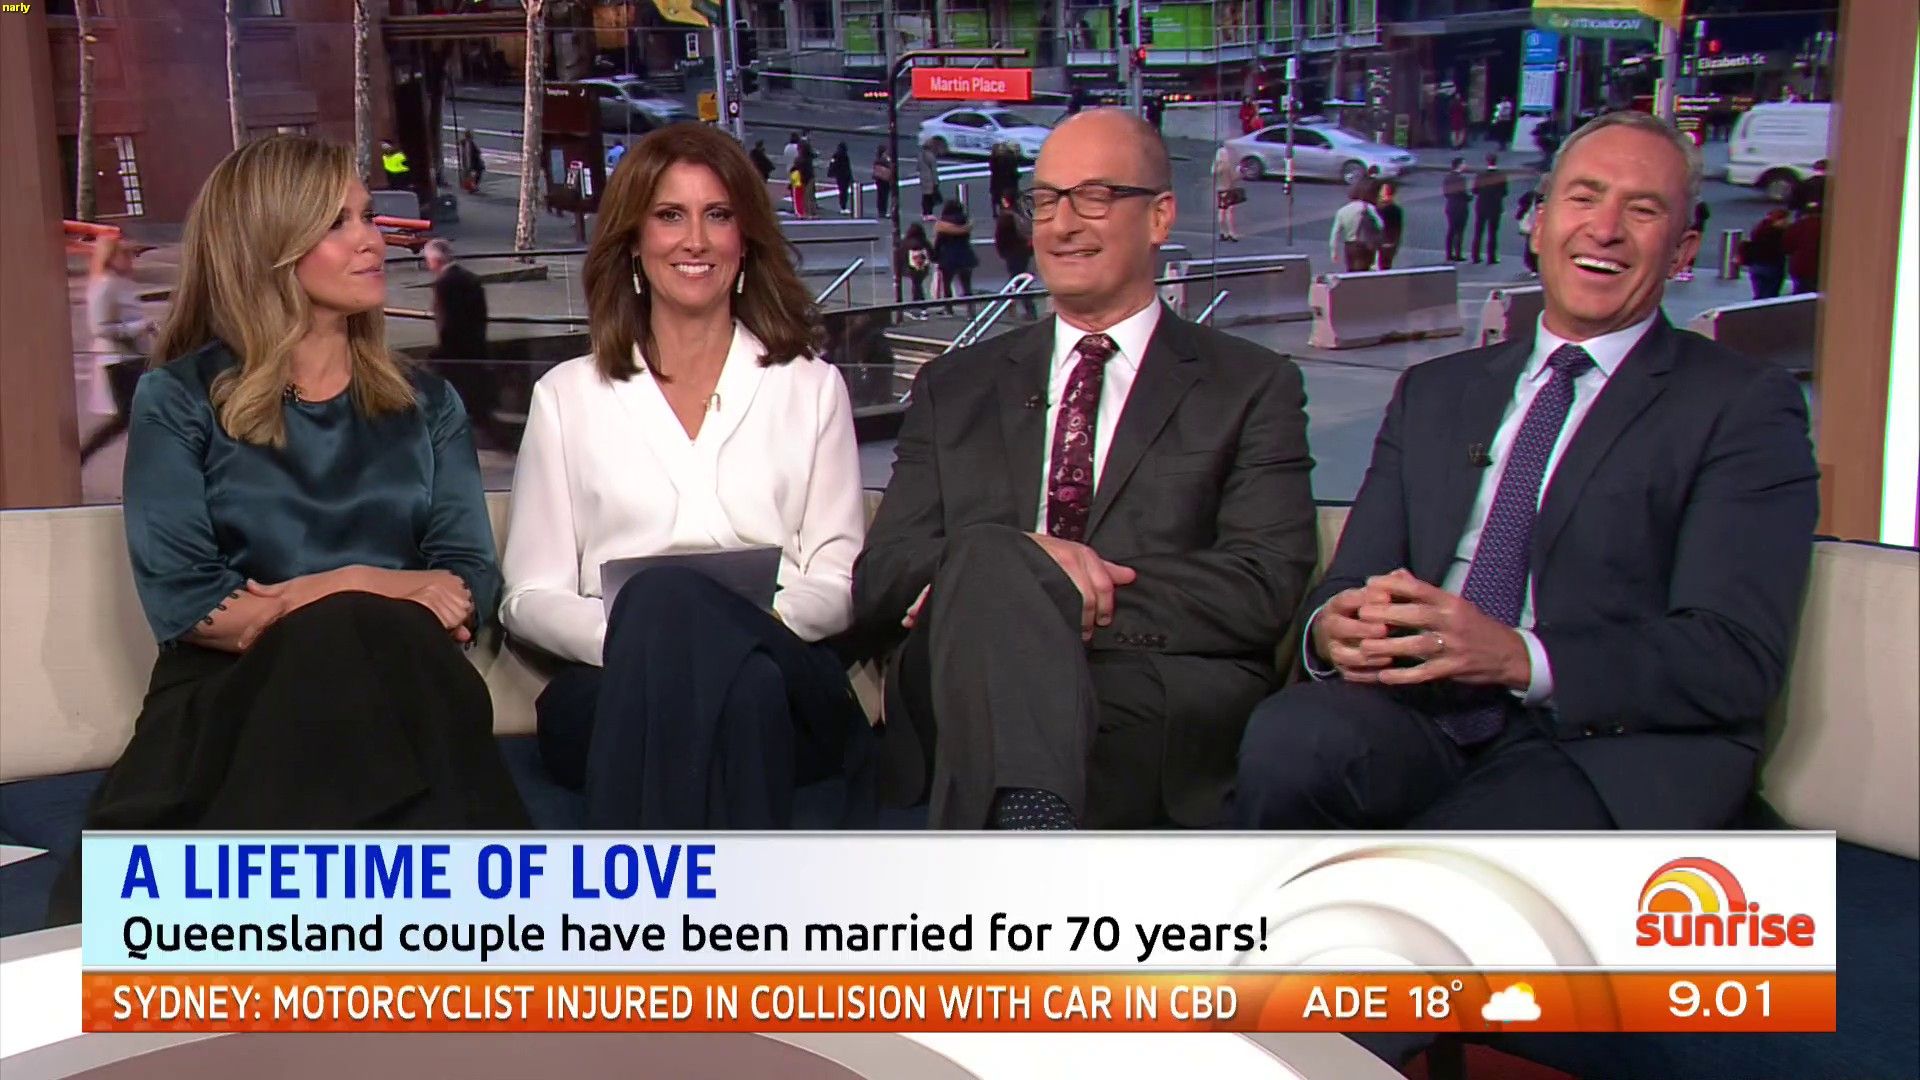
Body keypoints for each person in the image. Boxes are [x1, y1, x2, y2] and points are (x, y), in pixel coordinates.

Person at [1234, 117, 1819, 1072]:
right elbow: (1344, 587)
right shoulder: (1436, 392)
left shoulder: (1741, 405)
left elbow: (1734, 656)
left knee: (1430, 888)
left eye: (1642, 210)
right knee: (1291, 738)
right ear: (1538, 223)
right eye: (1584, 198)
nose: (1605, 228)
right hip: (1423, 714)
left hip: (1609, 745)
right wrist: (1333, 631)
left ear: (1683, 252)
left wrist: (1519, 656)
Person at [49, 134, 528, 922]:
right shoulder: (180, 400)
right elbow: (190, 602)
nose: (372, 239)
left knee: (374, 646)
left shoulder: (427, 405)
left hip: (406, 689)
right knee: (349, 630)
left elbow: (468, 579)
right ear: (269, 246)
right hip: (235, 706)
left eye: (368, 217)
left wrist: (330, 599)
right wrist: (362, 582)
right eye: (337, 223)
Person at [852, 109, 1317, 831]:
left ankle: (1013, 849)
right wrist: (1006, 568)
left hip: (1151, 688)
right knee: (991, 557)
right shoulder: (955, 385)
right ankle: (1034, 833)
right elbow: (881, 577)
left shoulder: (1252, 385)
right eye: (1045, 200)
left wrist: (1045, 589)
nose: (1062, 224)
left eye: (1094, 197)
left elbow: (1262, 586)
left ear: (1160, 216)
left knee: (996, 569)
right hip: (958, 680)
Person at [500, 124, 870, 830]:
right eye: (670, 215)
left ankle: (648, 899)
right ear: (634, 242)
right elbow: (529, 596)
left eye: (718, 215)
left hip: (782, 672)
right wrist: (648, 640)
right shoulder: (567, 396)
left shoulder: (811, 386)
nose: (695, 240)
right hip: (613, 683)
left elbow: (839, 576)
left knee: (739, 671)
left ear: (745, 240)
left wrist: (734, 632)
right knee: (694, 644)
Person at [422, 239, 508, 450]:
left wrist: (440, 353)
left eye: (428, 261)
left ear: (435, 260)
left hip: (455, 352)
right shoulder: (471, 279)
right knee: (474, 397)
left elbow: (447, 323)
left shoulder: (444, 284)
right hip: (476, 348)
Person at [78, 234, 155, 465]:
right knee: (127, 416)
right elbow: (100, 328)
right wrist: (139, 327)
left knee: (139, 414)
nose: (129, 259)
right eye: (124, 254)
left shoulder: (121, 283)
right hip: (118, 359)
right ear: (110, 258)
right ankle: (82, 454)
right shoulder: (104, 286)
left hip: (135, 356)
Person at [993, 195, 1040, 318]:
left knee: (1018, 281)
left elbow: (1000, 237)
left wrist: (1002, 251)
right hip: (1023, 250)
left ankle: (1020, 308)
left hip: (1013, 252)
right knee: (1018, 279)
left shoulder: (1006, 217)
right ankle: (1021, 307)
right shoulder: (1021, 215)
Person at [933, 197, 977, 316]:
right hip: (965, 256)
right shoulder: (965, 222)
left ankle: (948, 308)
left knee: (947, 284)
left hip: (948, 257)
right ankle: (970, 310)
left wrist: (935, 256)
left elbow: (938, 243)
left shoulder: (942, 225)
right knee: (966, 285)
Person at [1739, 208, 1790, 300]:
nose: (1787, 222)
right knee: (1770, 295)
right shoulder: (1778, 233)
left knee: (1759, 294)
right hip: (1771, 266)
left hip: (1756, 266)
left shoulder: (1758, 230)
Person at [1329, 187, 1383, 272]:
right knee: (1364, 271)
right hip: (1365, 244)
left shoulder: (1342, 211)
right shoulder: (1367, 207)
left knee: (1351, 271)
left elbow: (1335, 233)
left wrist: (1334, 251)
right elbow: (1380, 224)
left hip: (1350, 246)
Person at [1471, 152, 1509, 264]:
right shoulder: (1501, 175)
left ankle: (1475, 256)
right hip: (1495, 207)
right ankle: (1491, 257)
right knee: (1493, 233)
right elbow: (1505, 192)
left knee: (1478, 232)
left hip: (1481, 206)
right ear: (1496, 161)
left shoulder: (1480, 175)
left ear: (1487, 161)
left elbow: (1475, 190)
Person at [895, 223, 934, 320]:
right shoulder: (924, 242)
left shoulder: (906, 242)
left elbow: (900, 256)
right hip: (923, 268)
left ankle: (919, 308)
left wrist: (899, 269)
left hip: (911, 268)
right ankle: (921, 307)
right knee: (918, 286)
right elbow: (932, 253)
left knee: (916, 286)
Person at [1784, 206, 1822, 294]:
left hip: (1799, 266)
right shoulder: (1826, 226)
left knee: (1800, 292)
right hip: (1818, 267)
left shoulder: (1796, 226)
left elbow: (1787, 247)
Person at [1442, 156, 1471, 261]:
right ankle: (1458, 254)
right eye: (1463, 163)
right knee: (1459, 231)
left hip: (1450, 206)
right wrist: (1469, 197)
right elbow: (1463, 193)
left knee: (1451, 230)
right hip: (1460, 207)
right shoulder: (1461, 178)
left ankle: (1449, 254)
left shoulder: (1447, 178)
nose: (1465, 165)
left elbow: (1446, 193)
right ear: (1459, 165)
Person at [1212, 145, 1243, 242]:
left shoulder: (1217, 165)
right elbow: (1236, 177)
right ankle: (1231, 233)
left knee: (1221, 211)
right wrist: (1239, 172)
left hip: (1220, 189)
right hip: (1230, 189)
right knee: (1230, 212)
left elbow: (1213, 173)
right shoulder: (1229, 165)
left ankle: (1223, 232)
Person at [1675, 200, 1710, 282]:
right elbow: (1706, 215)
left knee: (1683, 249)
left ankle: (1681, 269)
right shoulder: (1700, 204)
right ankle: (1687, 269)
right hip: (1698, 229)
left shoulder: (1685, 203)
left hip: (1687, 229)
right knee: (1692, 250)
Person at [1514, 182, 1544, 275]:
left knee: (1531, 246)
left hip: (1531, 226)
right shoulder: (1546, 197)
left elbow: (1521, 202)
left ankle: (1533, 268)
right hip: (1538, 225)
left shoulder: (1531, 195)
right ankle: (1536, 267)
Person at [1373, 181, 1404, 270]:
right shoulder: (1396, 209)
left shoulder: (1384, 209)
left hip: (1384, 242)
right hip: (1388, 242)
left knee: (1383, 264)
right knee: (1385, 265)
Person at [828, 142, 855, 215]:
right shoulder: (845, 156)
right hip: (844, 176)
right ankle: (843, 207)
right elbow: (847, 168)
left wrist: (831, 173)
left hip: (839, 176)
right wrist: (851, 177)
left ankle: (842, 207)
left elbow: (832, 164)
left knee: (842, 191)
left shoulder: (835, 155)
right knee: (844, 192)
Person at [919, 138, 944, 218]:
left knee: (925, 196)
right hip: (930, 179)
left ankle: (924, 213)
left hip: (923, 178)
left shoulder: (921, 155)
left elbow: (918, 167)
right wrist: (936, 181)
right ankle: (929, 213)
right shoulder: (931, 156)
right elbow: (934, 170)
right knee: (930, 197)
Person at [872, 147, 896, 219]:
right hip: (884, 180)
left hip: (879, 180)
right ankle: (883, 211)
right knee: (884, 197)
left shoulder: (877, 160)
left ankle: (881, 211)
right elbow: (890, 167)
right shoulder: (884, 160)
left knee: (880, 196)